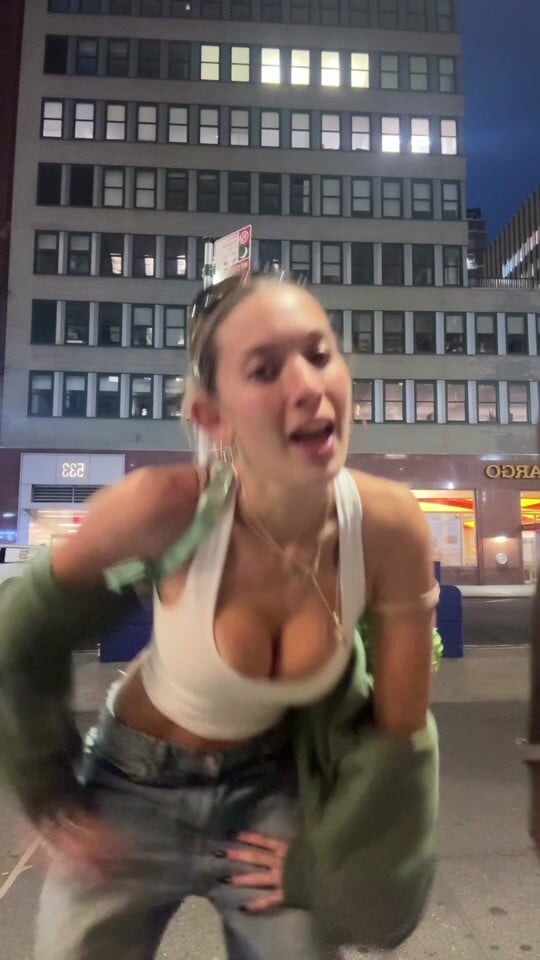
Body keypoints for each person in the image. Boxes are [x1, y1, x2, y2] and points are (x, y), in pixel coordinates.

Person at [0, 273, 438, 960]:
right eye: (265, 370)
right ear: (213, 418)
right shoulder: (164, 508)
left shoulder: (389, 527)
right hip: (132, 787)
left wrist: (326, 858)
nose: (308, 386)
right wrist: (49, 792)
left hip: (270, 789)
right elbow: (22, 635)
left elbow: (402, 731)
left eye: (319, 354)